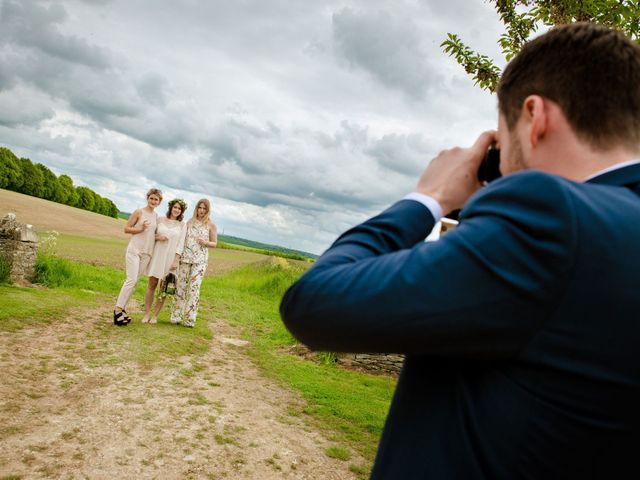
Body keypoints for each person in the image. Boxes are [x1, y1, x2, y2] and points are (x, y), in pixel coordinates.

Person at [280, 23, 640, 479]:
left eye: (501, 140)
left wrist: (428, 198)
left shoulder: (549, 219)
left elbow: (314, 303)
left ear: (534, 117)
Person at [114, 188, 162, 326]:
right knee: (131, 280)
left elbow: (152, 235)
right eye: (151, 198)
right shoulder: (139, 212)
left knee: (135, 282)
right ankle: (117, 311)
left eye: (156, 199)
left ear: (159, 202)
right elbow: (126, 228)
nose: (153, 201)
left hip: (147, 253)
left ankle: (122, 309)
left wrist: (163, 237)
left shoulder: (156, 217)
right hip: (134, 250)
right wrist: (140, 229)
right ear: (148, 198)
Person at [170, 198, 217, 327]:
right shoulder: (189, 223)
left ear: (207, 210)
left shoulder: (211, 225)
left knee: (194, 289)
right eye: (199, 208)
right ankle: (176, 316)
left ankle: (190, 319)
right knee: (181, 287)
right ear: (196, 208)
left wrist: (206, 243)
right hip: (185, 259)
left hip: (200, 262)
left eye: (204, 208)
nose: (201, 210)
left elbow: (214, 243)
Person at [141, 198, 187, 324]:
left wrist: (176, 260)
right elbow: (150, 236)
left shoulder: (182, 225)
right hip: (157, 255)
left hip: (170, 258)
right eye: (175, 207)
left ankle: (155, 316)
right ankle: (146, 314)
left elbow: (180, 244)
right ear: (171, 207)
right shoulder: (160, 219)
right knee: (152, 284)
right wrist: (158, 237)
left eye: (179, 208)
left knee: (164, 288)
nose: (176, 210)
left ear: (181, 211)